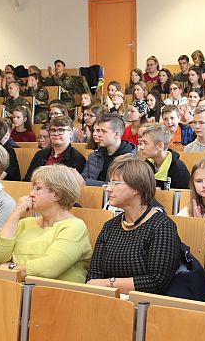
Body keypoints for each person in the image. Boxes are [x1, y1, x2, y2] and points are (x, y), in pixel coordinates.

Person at [86, 155, 181, 294]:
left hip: (144, 307)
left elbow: (157, 281)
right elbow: (94, 273)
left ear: (137, 188)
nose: (108, 189)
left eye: (116, 184)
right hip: (108, 302)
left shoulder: (162, 226)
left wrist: (109, 284)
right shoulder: (110, 226)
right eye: (109, 183)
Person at [0, 165, 92, 281]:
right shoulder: (25, 223)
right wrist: (16, 214)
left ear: (56, 195)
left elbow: (49, 268)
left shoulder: (75, 227)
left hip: (57, 295)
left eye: (37, 189)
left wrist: (11, 269)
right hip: (16, 291)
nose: (30, 194)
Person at [79, 113, 136, 186]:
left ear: (116, 134)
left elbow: (119, 186)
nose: (98, 135)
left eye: (103, 131)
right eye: (97, 130)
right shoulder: (93, 157)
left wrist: (88, 182)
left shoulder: (130, 161)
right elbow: (82, 181)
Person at [23, 116, 87, 182]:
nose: (56, 134)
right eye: (53, 130)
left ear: (70, 134)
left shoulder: (77, 159)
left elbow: (71, 187)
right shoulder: (40, 154)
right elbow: (28, 179)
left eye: (61, 130)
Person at [140, 124, 190, 190]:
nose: (141, 147)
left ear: (160, 146)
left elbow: (183, 197)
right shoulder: (145, 165)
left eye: (145, 143)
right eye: (141, 143)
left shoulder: (179, 170)